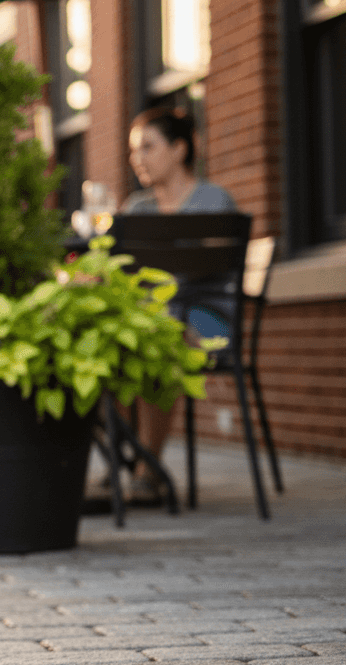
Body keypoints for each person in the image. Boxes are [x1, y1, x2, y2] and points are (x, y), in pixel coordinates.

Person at [121, 107, 238, 501]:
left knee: (158, 343)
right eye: (133, 150)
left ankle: (146, 469)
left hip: (207, 320)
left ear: (179, 149)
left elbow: (206, 271)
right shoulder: (137, 209)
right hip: (151, 319)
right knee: (100, 351)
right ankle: (136, 457)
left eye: (147, 147)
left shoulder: (213, 200)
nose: (138, 158)